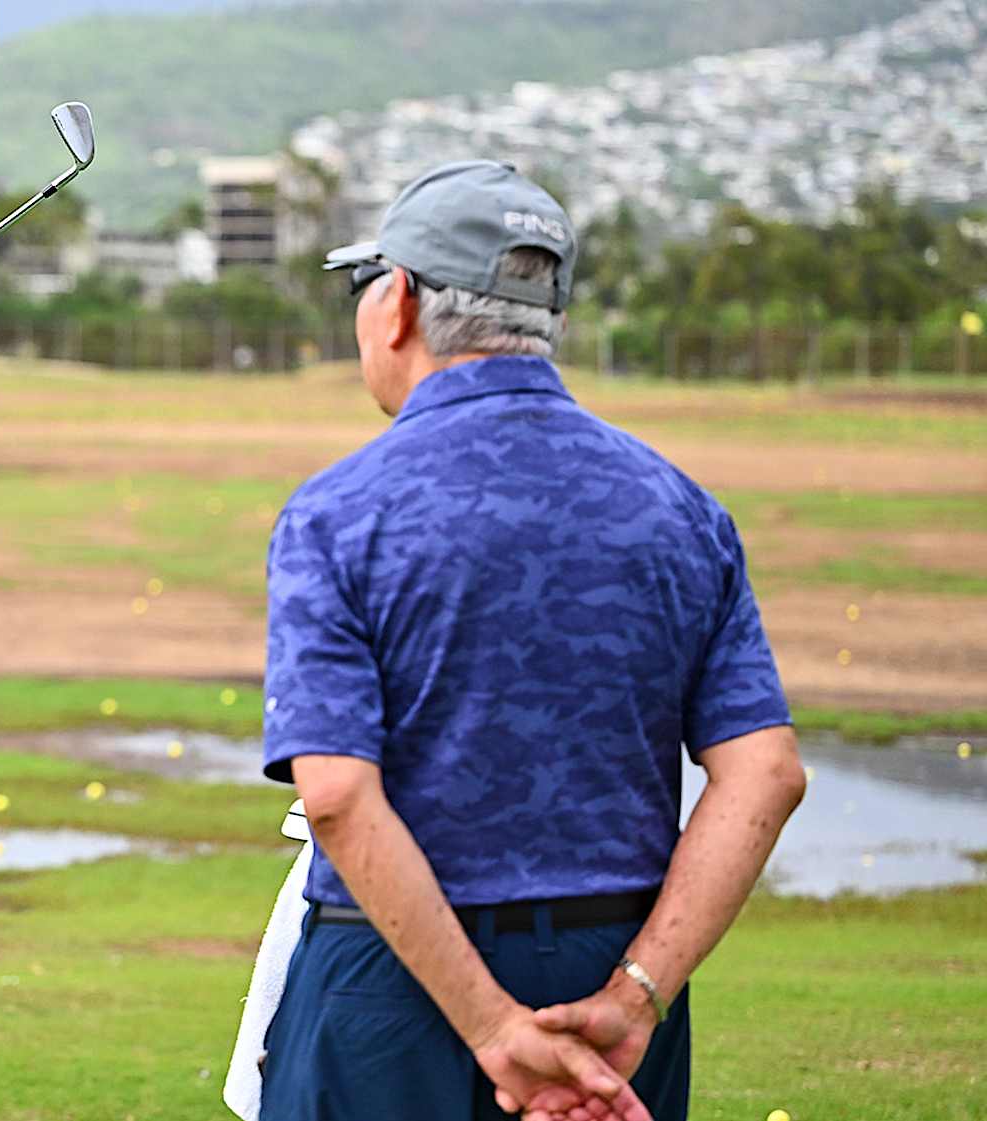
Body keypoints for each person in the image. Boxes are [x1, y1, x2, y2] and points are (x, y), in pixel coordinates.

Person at [256, 160, 807, 1121]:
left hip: (391, 981)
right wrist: (638, 992)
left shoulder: (337, 514)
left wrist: (488, 1026)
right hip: (611, 988)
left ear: (396, 306)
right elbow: (765, 771)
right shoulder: (683, 512)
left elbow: (337, 792)